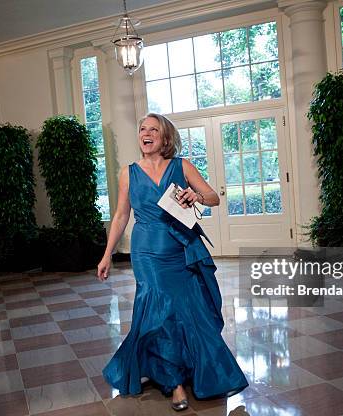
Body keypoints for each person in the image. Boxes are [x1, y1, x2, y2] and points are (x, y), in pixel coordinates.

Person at [97, 113, 248, 411]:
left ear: (165, 138)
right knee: (159, 310)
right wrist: (107, 254)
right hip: (147, 251)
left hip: (181, 247)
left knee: (189, 311)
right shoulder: (128, 173)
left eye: (154, 129)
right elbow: (121, 215)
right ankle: (174, 382)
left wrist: (197, 196)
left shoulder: (181, 166)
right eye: (142, 129)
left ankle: (193, 367)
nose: (146, 133)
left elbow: (213, 197)